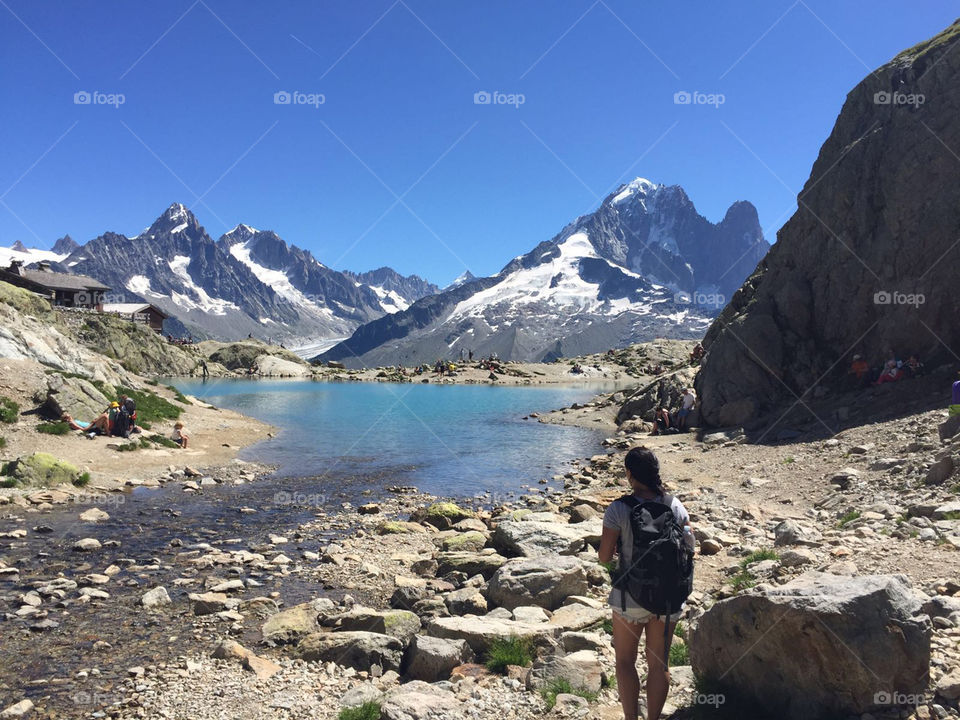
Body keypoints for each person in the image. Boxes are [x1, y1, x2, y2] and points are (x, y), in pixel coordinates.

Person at [599, 447, 693, 720]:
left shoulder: (618, 509)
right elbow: (690, 547)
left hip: (630, 597)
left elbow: (605, 558)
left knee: (625, 661)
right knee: (659, 663)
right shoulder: (675, 505)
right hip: (667, 597)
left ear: (629, 474)